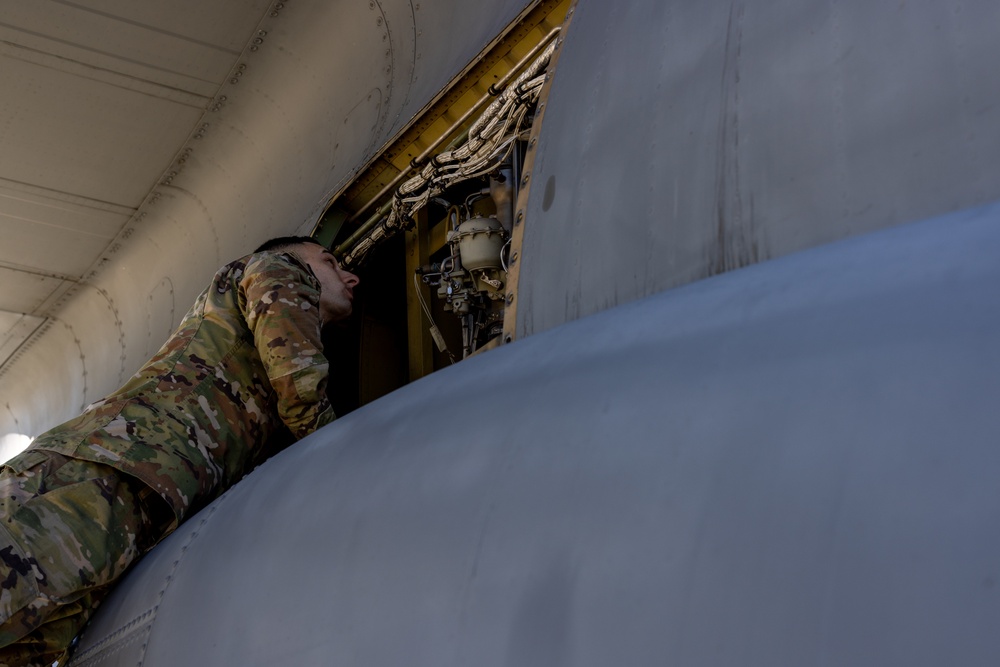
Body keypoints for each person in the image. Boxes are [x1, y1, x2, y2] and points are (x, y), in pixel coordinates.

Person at [0, 236, 359, 666]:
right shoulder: (276, 266)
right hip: (101, 471)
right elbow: (298, 379)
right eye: (331, 262)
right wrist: (340, 454)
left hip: (138, 498)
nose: (350, 276)